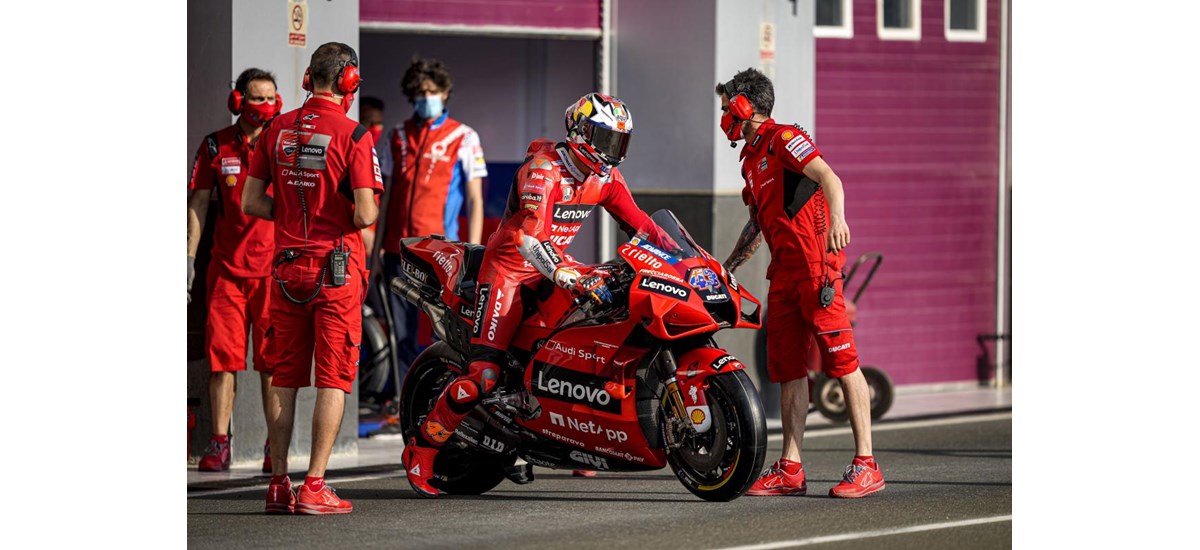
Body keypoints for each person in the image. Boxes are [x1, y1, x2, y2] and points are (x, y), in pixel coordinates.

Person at [402, 93, 654, 497]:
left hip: (557, 268)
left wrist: (691, 259)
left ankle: (577, 435)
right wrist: (565, 272)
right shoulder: (543, 170)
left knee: (597, 339)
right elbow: (528, 237)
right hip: (508, 273)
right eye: (604, 139)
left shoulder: (605, 179)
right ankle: (423, 450)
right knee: (484, 375)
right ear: (579, 132)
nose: (610, 151)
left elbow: (643, 226)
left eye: (618, 142)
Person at [719, 68, 884, 498]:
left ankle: (867, 464)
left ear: (744, 106)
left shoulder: (784, 139)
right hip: (784, 273)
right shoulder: (750, 161)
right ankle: (791, 468)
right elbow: (756, 223)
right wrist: (728, 265)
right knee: (788, 369)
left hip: (816, 268)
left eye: (726, 108)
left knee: (842, 362)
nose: (723, 117)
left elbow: (830, 177)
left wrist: (839, 220)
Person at [242, 42, 383, 515]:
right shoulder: (354, 134)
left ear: (308, 79)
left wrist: (290, 214)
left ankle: (278, 482)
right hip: (335, 270)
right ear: (349, 81)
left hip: (285, 268)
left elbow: (250, 201)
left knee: (284, 374)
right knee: (333, 377)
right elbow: (365, 213)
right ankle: (315, 485)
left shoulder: (275, 129)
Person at [375, 57, 488, 401]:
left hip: (442, 255)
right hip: (397, 251)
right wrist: (375, 250)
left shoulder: (464, 136)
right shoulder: (397, 135)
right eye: (421, 92)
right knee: (401, 331)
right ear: (411, 95)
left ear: (445, 92)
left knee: (443, 329)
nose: (427, 98)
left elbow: (475, 199)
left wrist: (473, 253)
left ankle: (441, 397)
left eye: (433, 91)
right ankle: (403, 399)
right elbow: (386, 195)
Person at [187, 67, 282, 473]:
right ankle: (219, 442)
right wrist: (188, 260)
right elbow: (198, 203)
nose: (267, 106)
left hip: (273, 274)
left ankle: (274, 445)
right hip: (225, 273)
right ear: (238, 101)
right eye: (258, 98)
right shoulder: (214, 145)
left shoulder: (283, 143)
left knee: (272, 364)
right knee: (222, 362)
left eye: (272, 98)